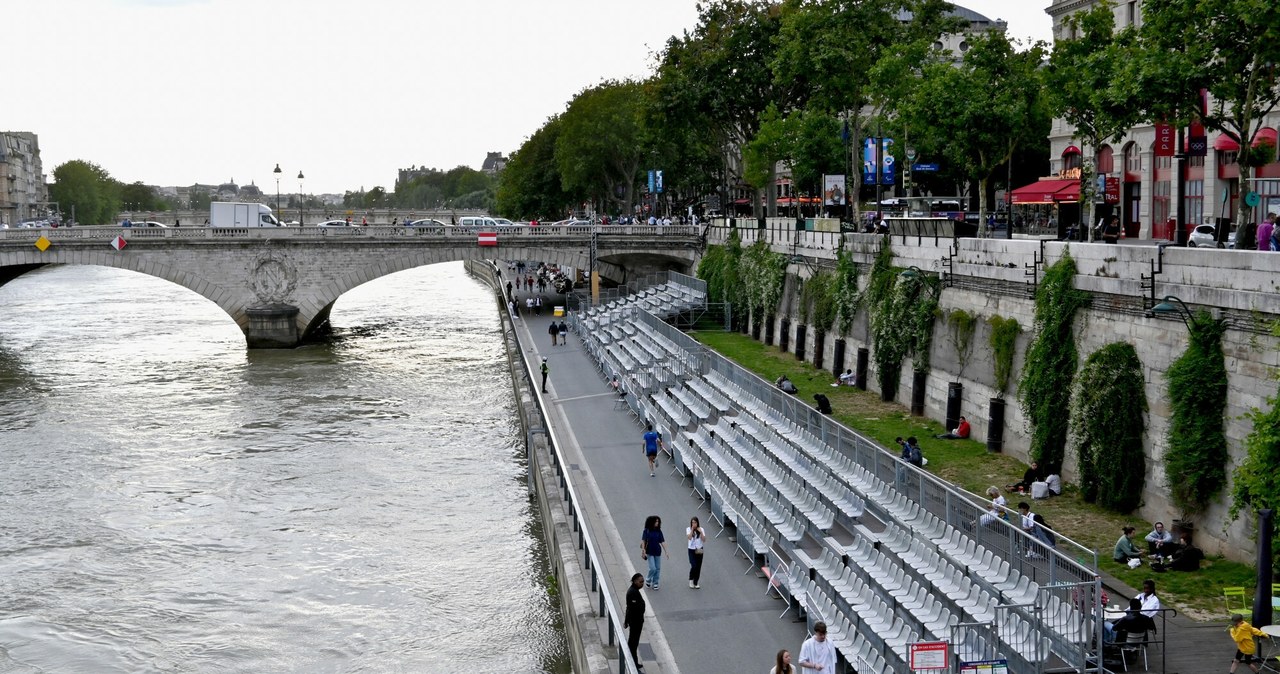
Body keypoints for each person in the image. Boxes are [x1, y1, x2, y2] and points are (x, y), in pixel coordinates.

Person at [624, 573, 646, 670]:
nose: (642, 584)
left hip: (637, 621)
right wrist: (626, 621)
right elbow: (630, 608)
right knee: (632, 644)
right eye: (641, 582)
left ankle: (634, 663)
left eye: (643, 582)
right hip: (635, 622)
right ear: (635, 581)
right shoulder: (632, 593)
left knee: (634, 643)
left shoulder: (635, 590)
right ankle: (633, 666)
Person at [640, 515, 668, 590]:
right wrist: (643, 550)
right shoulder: (646, 530)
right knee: (652, 568)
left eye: (658, 522)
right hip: (649, 551)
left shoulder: (659, 531)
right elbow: (643, 540)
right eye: (656, 521)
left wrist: (666, 552)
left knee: (658, 568)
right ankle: (648, 580)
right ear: (651, 522)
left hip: (657, 551)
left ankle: (655, 583)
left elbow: (662, 541)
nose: (657, 523)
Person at [686, 516, 705, 589]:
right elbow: (689, 537)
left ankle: (696, 582)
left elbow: (704, 540)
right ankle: (691, 579)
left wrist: (701, 533)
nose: (694, 524)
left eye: (695, 522)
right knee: (693, 565)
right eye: (692, 523)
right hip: (691, 549)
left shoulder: (701, 529)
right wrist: (692, 530)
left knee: (698, 566)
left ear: (697, 523)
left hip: (699, 549)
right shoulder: (688, 529)